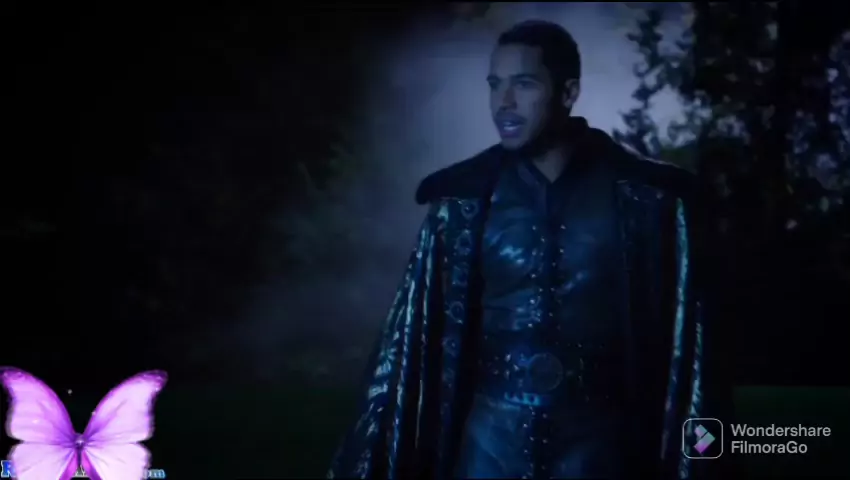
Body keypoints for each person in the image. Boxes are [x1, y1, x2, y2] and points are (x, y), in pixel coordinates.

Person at [329, 20, 717, 479]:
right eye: (495, 85)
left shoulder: (646, 202)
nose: (504, 102)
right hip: (488, 447)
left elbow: (687, 354)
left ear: (568, 92)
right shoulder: (463, 203)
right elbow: (413, 347)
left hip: (602, 450)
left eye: (524, 83)